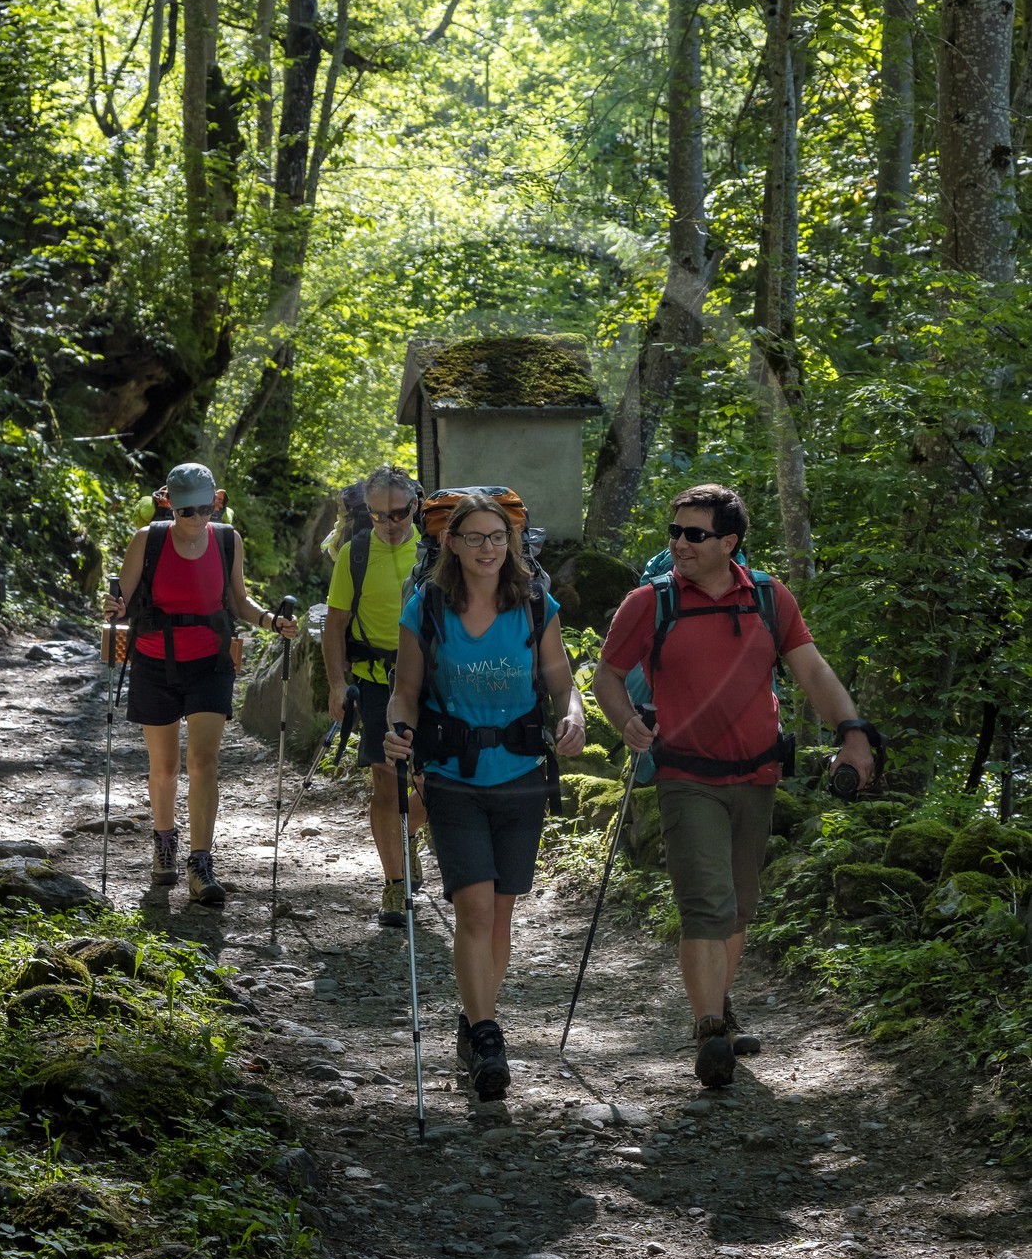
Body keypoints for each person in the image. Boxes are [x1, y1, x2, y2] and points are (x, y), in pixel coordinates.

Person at [592, 482, 875, 1089]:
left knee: (740, 909)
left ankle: (719, 1004)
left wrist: (852, 730)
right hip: (684, 776)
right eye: (674, 532)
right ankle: (709, 1031)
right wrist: (627, 722)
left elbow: (812, 669)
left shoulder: (770, 600)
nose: (679, 544)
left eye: (694, 534)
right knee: (707, 905)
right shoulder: (650, 602)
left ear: (729, 542)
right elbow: (607, 676)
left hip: (757, 775)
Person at [384, 493, 585, 1101]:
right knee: (473, 909)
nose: (488, 547)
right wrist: (399, 730)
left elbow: (561, 682)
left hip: (521, 773)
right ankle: (490, 1033)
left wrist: (573, 716)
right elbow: (405, 690)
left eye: (497, 536)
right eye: (474, 537)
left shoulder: (532, 605)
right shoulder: (427, 608)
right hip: (451, 774)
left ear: (513, 542)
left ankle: (474, 1021)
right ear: (451, 543)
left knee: (501, 912)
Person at [105, 461, 297, 905]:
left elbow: (237, 600)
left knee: (204, 761)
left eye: (205, 508)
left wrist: (270, 620)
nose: (196, 519)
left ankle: (200, 861)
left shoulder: (227, 539)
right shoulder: (147, 540)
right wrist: (112, 606)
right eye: (187, 510)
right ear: (168, 503)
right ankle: (164, 842)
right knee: (165, 768)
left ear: (218, 501)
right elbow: (122, 602)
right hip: (154, 662)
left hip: (211, 661)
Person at [322, 464, 426, 928]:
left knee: (434, 785)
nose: (390, 524)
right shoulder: (355, 552)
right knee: (387, 781)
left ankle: (408, 837)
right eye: (379, 515)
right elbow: (335, 625)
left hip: (431, 679)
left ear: (415, 505)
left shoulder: (437, 552)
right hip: (377, 679)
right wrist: (337, 683)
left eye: (399, 513)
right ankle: (394, 885)